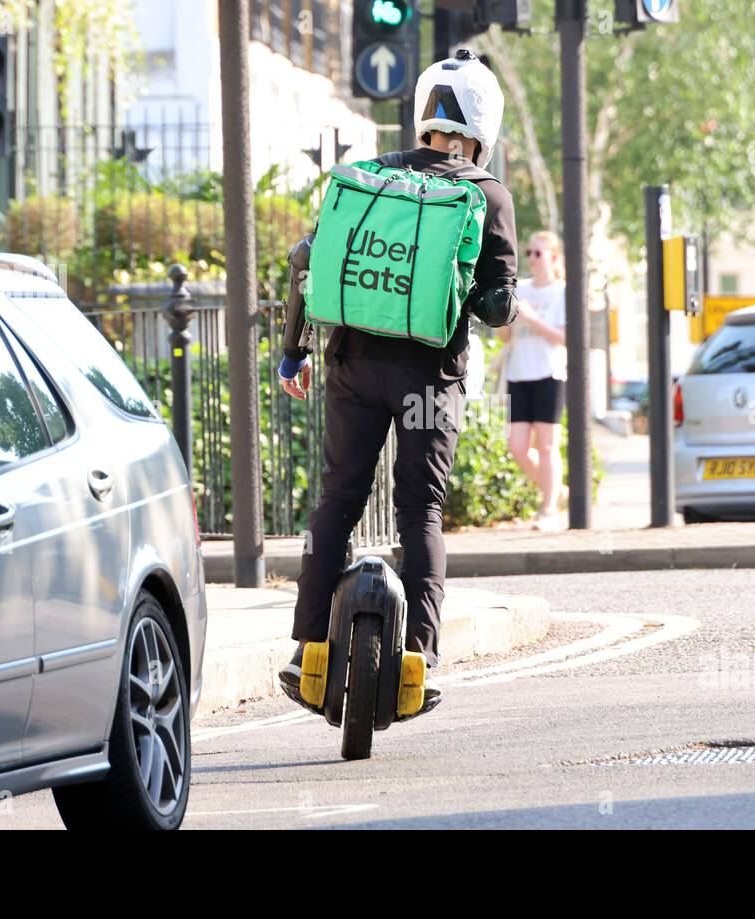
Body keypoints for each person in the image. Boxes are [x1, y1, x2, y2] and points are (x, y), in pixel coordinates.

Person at [275, 50, 519, 717]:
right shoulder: (486, 193)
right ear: (481, 127)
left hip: (351, 368)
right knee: (421, 513)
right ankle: (418, 661)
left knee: (338, 502)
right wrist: (490, 292)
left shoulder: (370, 177)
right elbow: (496, 309)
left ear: (425, 114)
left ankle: (308, 651)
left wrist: (293, 354)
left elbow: (305, 259)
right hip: (428, 381)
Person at [499, 230, 568, 531]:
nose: (532, 259)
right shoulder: (521, 289)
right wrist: (509, 318)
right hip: (519, 373)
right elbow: (504, 335)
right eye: (529, 253)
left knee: (547, 445)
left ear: (553, 257)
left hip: (549, 373)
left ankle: (548, 507)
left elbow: (564, 338)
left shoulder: (561, 292)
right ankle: (558, 490)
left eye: (538, 253)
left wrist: (531, 319)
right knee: (517, 447)